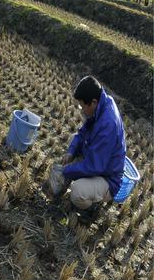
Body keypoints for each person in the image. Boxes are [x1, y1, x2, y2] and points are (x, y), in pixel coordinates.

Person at [47, 76, 127, 222]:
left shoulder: (108, 125)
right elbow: (82, 133)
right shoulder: (101, 105)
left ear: (94, 102)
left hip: (108, 177)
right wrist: (71, 152)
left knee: (78, 191)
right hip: (98, 160)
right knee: (73, 140)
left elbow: (94, 166)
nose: (82, 109)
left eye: (83, 106)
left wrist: (66, 171)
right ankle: (63, 185)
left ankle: (92, 209)